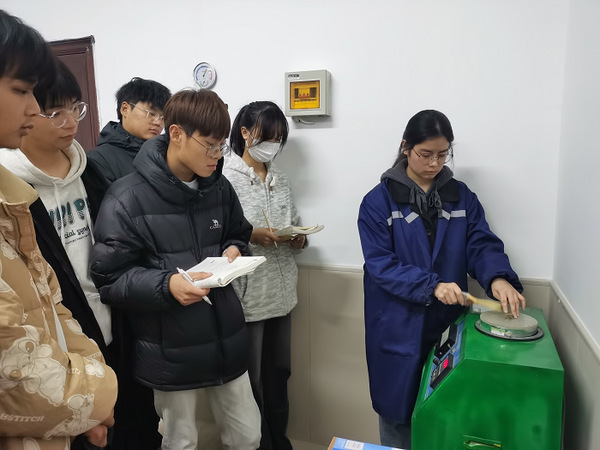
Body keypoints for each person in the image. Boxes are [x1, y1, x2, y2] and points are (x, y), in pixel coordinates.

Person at [90, 89, 261, 450]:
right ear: (177, 134)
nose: (217, 156)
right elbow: (109, 278)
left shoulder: (219, 188)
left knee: (248, 436)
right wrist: (167, 285)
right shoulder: (127, 197)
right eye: (210, 146)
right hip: (168, 345)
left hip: (226, 337)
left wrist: (234, 248)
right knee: (180, 441)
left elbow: (238, 233)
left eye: (221, 147)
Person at [357, 109, 526, 449]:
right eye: (425, 154)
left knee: (446, 412)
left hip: (447, 324)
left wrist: (498, 278)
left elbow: (480, 243)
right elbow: (381, 265)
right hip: (397, 324)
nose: (434, 163)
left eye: (442, 154)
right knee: (397, 416)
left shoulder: (461, 197)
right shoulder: (378, 203)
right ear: (405, 147)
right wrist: (431, 285)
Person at [0, 10, 117, 450]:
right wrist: (94, 401)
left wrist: (94, 386)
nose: (32, 108)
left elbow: (49, 300)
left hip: (87, 349)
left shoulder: (88, 174)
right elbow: (11, 361)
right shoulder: (20, 189)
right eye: (21, 90)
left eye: (74, 109)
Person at [223, 101, 305, 450]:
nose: (273, 145)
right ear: (245, 133)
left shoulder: (279, 178)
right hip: (248, 295)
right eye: (268, 137)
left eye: (278, 139)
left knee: (280, 373)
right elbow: (220, 236)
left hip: (282, 293)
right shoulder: (224, 177)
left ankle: (279, 441)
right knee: (251, 380)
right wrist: (252, 235)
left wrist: (299, 237)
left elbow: (294, 222)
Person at [86, 76, 171, 189]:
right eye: (151, 113)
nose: (158, 122)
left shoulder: (167, 155)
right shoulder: (99, 160)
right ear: (125, 109)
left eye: (163, 117)